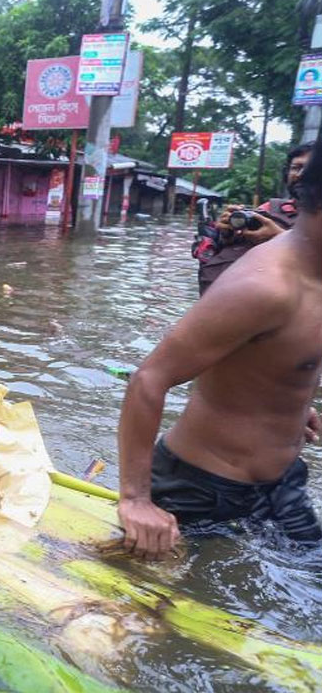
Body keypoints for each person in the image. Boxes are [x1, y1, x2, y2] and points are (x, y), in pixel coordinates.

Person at [115, 136, 322, 560]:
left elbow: (278, 357)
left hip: (281, 484)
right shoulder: (266, 287)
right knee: (161, 620)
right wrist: (135, 499)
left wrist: (292, 403)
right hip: (200, 491)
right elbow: (149, 379)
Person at [197, 143, 313, 295]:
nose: (300, 175)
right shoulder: (271, 208)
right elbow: (233, 246)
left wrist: (279, 237)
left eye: (312, 170)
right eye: (296, 168)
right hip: (221, 300)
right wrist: (227, 232)